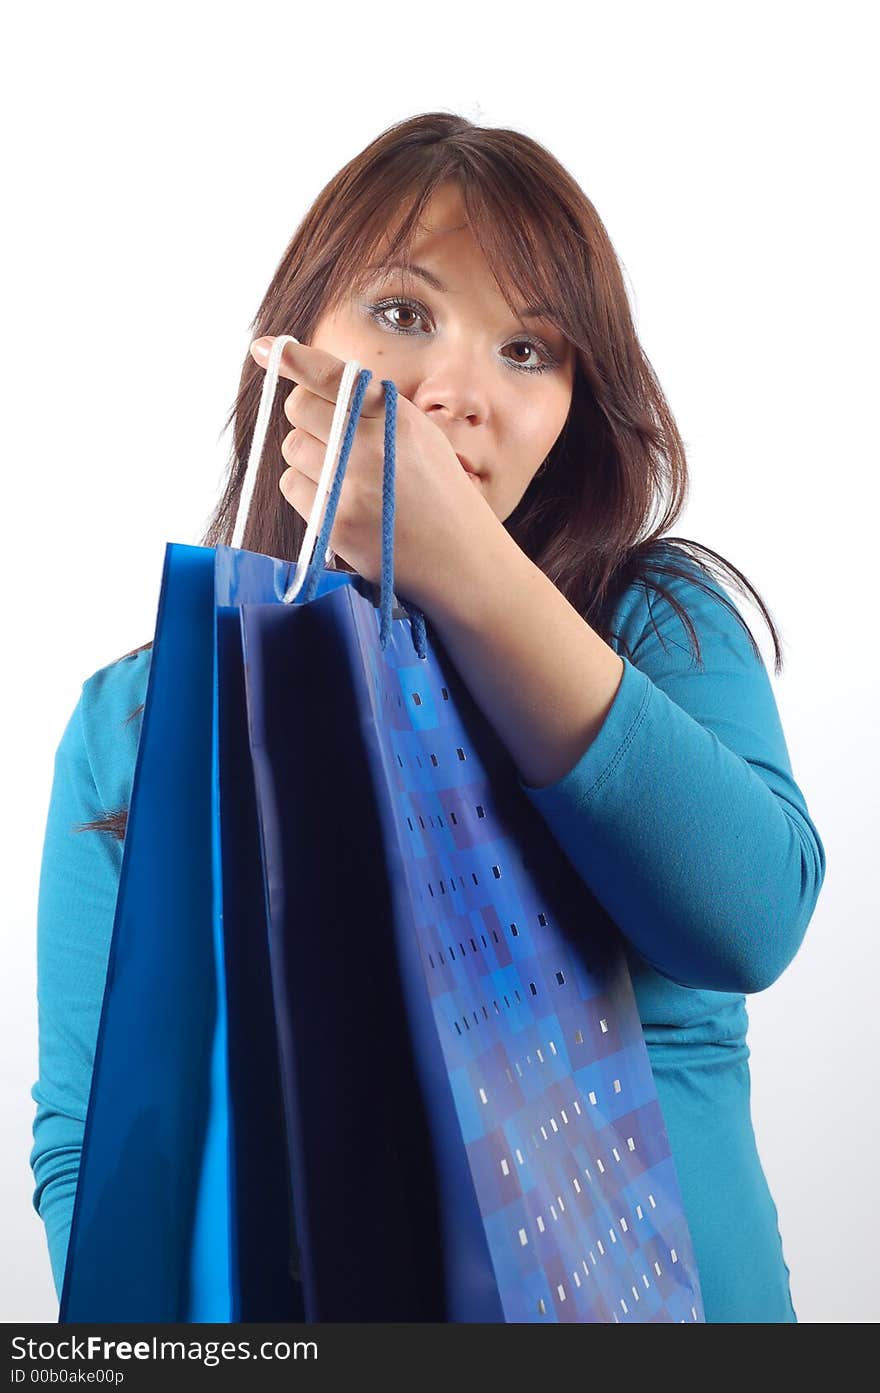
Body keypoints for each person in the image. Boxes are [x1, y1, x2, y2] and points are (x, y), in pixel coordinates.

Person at [30, 110, 826, 1323]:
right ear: (291, 349)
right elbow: (101, 1144)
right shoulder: (140, 715)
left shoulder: (654, 622)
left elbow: (751, 921)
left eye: (530, 350)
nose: (460, 393)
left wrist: (460, 566)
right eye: (405, 315)